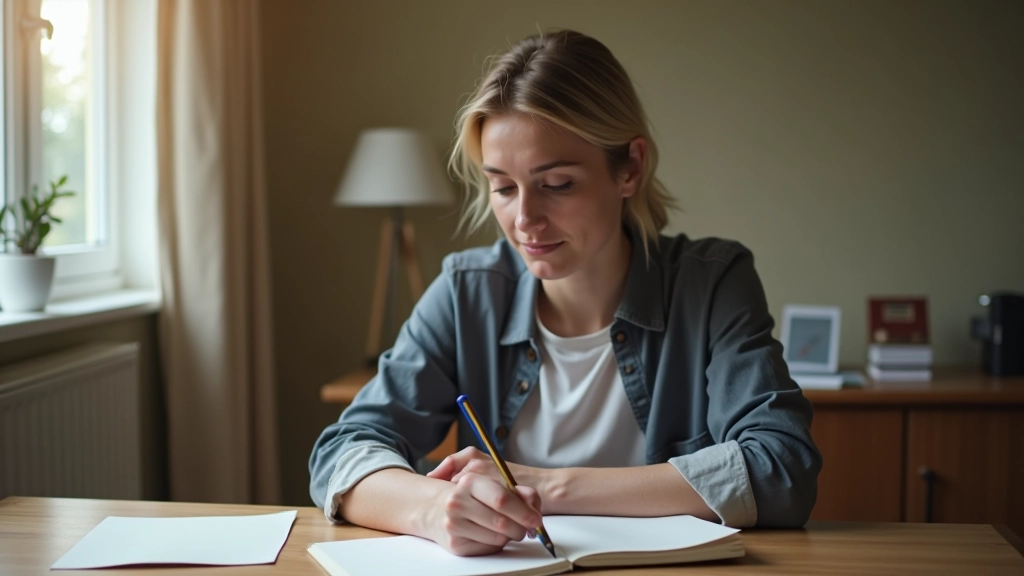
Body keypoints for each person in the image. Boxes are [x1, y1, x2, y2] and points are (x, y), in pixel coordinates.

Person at [309, 29, 821, 557]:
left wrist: (543, 487)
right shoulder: (468, 292)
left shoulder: (711, 283)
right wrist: (434, 510)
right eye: (504, 188)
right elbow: (342, 453)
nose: (524, 219)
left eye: (556, 184)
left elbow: (782, 468)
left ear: (630, 168)